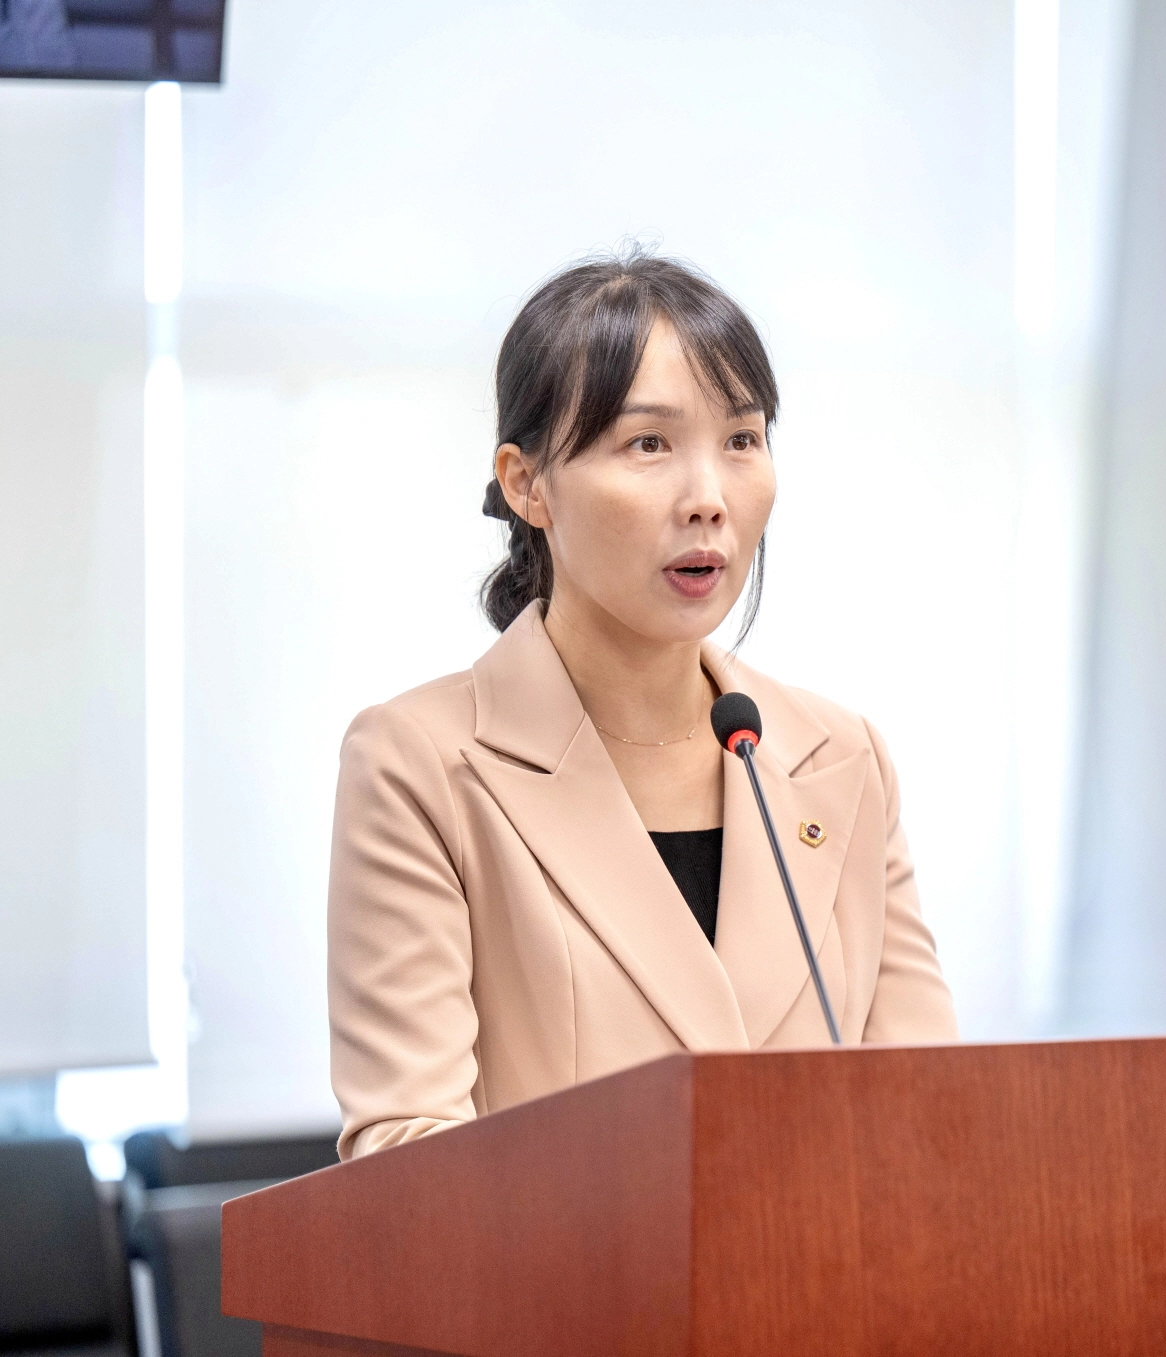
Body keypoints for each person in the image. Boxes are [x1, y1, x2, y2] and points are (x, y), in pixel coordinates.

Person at [326, 253, 958, 1160]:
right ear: (526, 483)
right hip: (560, 1262)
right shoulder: (419, 764)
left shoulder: (841, 758)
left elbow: (934, 1125)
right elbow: (408, 1155)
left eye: (741, 439)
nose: (708, 500)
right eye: (649, 444)